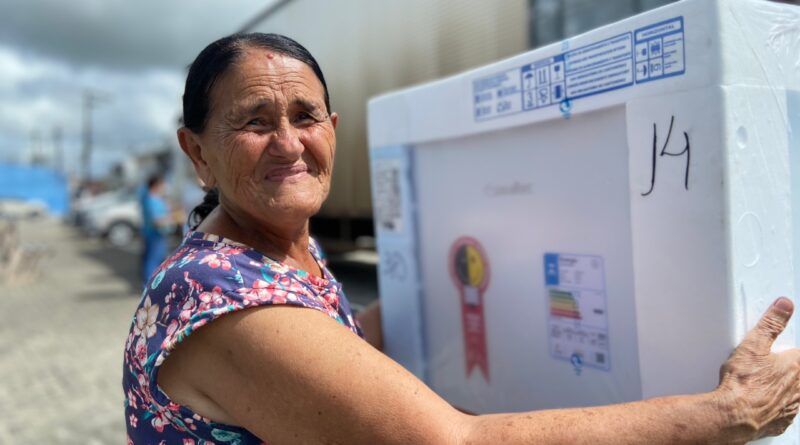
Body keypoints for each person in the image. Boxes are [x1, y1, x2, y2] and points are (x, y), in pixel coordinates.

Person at [123, 32, 800, 444]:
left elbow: (330, 346)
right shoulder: (219, 295)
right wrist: (729, 414)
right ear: (197, 151)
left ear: (332, 127)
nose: (289, 143)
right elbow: (458, 440)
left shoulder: (274, 245)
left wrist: (472, 280)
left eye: (304, 116)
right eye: (254, 121)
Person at [139, 174, 170, 285]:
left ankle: (153, 283)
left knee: (157, 259)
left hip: (157, 235)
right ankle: (149, 284)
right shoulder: (151, 200)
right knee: (153, 260)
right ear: (156, 185)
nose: (165, 186)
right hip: (154, 235)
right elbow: (157, 220)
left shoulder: (153, 198)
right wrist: (173, 218)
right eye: (163, 184)